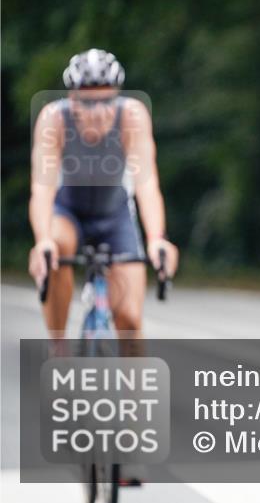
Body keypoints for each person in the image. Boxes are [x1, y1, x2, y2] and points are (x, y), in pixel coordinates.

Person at [28, 48, 179, 341]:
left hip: (114, 215)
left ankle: (134, 387)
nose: (97, 111)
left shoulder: (132, 115)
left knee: (131, 321)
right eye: (87, 102)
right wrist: (42, 240)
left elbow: (146, 184)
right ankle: (58, 348)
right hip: (68, 211)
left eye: (106, 100)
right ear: (72, 98)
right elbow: (42, 188)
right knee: (56, 247)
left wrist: (157, 238)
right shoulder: (53, 118)